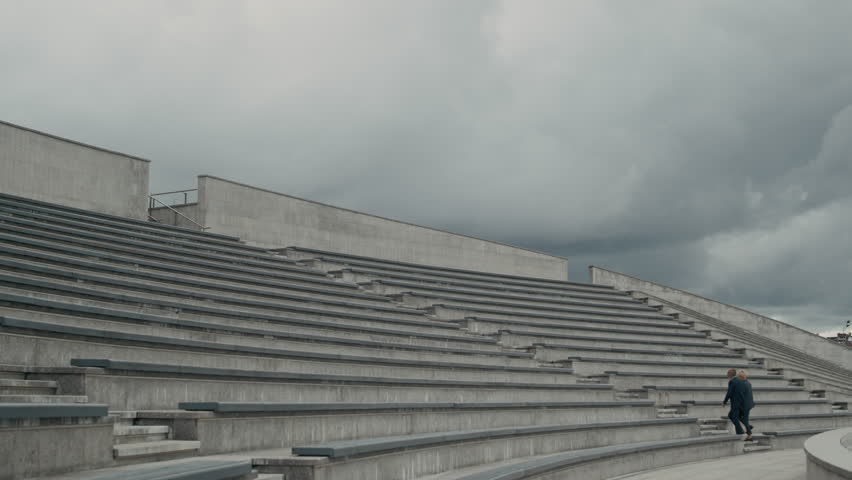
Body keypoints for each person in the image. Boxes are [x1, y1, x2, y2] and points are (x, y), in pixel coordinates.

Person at [723, 368, 755, 440]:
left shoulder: (740, 383)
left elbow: (735, 394)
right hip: (748, 404)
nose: (738, 378)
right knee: (741, 418)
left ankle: (746, 433)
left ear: (740, 377)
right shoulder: (748, 383)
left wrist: (725, 401)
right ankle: (747, 428)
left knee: (736, 417)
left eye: (738, 377)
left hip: (742, 404)